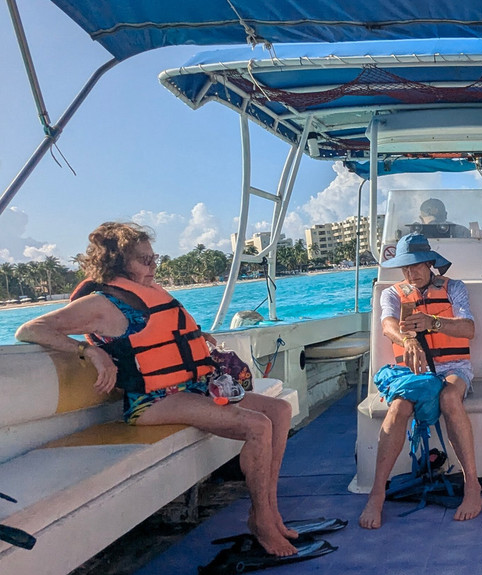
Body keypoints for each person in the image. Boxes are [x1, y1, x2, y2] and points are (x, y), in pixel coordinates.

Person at [15, 222, 298, 556]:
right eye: (144, 260)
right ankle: (262, 521)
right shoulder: (102, 303)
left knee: (279, 411)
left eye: (154, 258)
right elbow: (31, 329)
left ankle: (269, 510)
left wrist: (195, 341)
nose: (153, 266)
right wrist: (90, 351)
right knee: (257, 425)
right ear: (118, 263)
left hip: (192, 387)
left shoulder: (149, 294)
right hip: (152, 401)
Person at [359, 233, 482, 529]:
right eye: (404, 268)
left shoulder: (455, 288)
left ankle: (472, 486)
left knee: (450, 397)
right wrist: (408, 341)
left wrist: (433, 322)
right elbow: (388, 325)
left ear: (429, 263)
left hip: (453, 366)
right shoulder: (391, 294)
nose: (410, 273)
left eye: (415, 266)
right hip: (413, 370)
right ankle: (377, 493)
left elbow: (469, 329)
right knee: (399, 407)